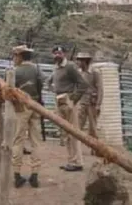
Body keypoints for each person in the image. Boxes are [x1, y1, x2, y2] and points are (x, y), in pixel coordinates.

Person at [50, 46, 89, 172]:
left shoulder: (70, 67)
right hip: (59, 102)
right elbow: (49, 82)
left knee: (73, 132)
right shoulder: (56, 68)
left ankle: (77, 162)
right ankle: (71, 160)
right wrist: (53, 90)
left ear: (64, 54)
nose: (57, 55)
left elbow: (83, 84)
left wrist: (73, 99)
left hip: (68, 102)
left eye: (60, 53)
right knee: (66, 133)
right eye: (55, 53)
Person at [11, 45, 44, 188]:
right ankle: (35, 174)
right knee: (35, 141)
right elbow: (41, 85)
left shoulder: (15, 72)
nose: (14, 58)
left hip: (21, 107)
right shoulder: (36, 70)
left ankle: (17, 174)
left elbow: (10, 90)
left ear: (20, 56)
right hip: (35, 105)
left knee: (18, 139)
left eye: (15, 56)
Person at [75, 52, 103, 155]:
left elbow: (100, 88)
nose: (78, 62)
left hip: (92, 103)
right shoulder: (79, 73)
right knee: (77, 127)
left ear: (85, 61)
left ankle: (95, 149)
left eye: (80, 60)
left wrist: (98, 104)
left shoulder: (95, 73)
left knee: (92, 128)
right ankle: (76, 149)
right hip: (81, 102)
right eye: (78, 60)